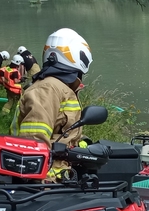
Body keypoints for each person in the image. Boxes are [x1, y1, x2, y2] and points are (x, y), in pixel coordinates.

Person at [12, 27, 91, 163]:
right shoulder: (48, 89)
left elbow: (60, 130)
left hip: (61, 167)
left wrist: (81, 141)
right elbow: (33, 142)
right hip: (51, 172)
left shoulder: (59, 87)